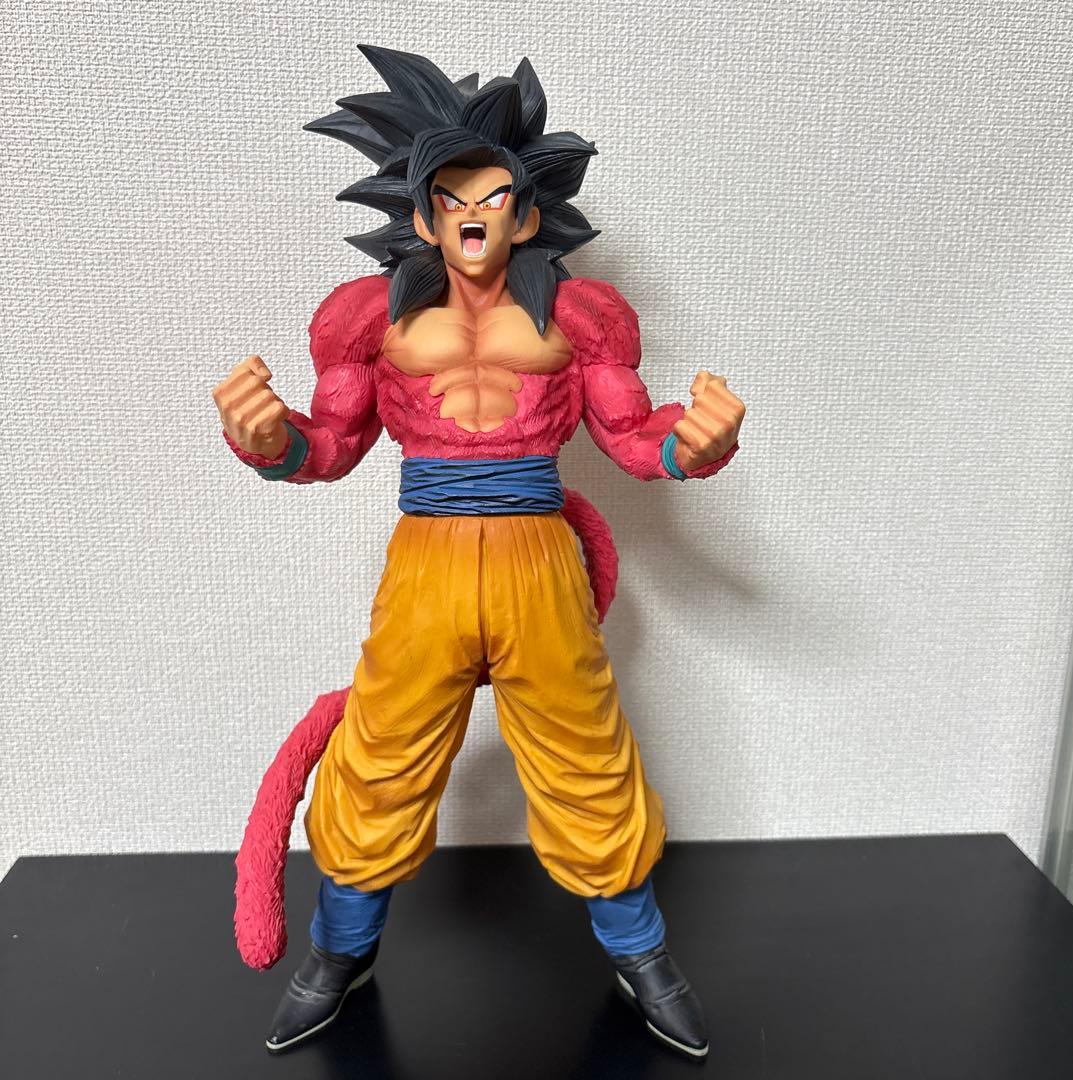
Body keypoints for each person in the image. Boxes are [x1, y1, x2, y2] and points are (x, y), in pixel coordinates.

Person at [213, 45, 745, 1061]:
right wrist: (270, 441)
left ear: (526, 215)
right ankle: (339, 951)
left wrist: (695, 443)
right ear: (421, 217)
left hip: (540, 562)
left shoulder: (580, 319)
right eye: (450, 195)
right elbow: (330, 446)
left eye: (494, 194)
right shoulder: (369, 320)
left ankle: (640, 954)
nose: (472, 213)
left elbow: (634, 441)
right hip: (427, 565)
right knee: (382, 755)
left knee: (586, 757)